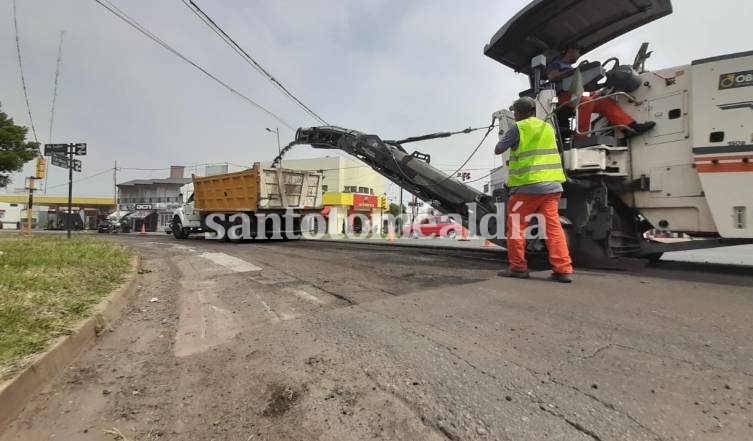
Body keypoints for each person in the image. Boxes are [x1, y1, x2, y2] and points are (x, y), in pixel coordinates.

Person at [495, 97, 573, 283]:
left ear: (519, 113)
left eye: (515, 112)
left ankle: (518, 267)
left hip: (526, 187)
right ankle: (563, 270)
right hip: (552, 187)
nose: (514, 115)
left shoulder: (519, 127)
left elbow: (499, 148)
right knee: (553, 228)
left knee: (516, 228)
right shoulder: (548, 127)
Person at [547, 45, 655, 138]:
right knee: (586, 102)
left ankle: (629, 127)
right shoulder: (557, 63)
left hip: (576, 95)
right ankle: (581, 137)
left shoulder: (571, 68)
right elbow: (552, 76)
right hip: (560, 97)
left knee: (604, 101)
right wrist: (575, 71)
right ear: (570, 50)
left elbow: (582, 86)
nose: (579, 55)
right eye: (578, 52)